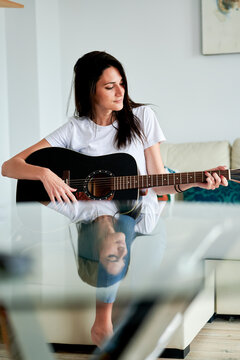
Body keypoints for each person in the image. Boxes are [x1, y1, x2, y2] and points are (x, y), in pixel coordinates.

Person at [1, 51, 228, 345]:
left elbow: (158, 182)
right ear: (90, 89)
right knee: (118, 225)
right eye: (110, 86)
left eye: (121, 83)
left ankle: (106, 332)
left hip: (145, 225)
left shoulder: (142, 118)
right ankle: (104, 327)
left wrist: (197, 180)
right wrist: (44, 173)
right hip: (99, 227)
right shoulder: (75, 130)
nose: (121, 91)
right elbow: (9, 166)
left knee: (133, 286)